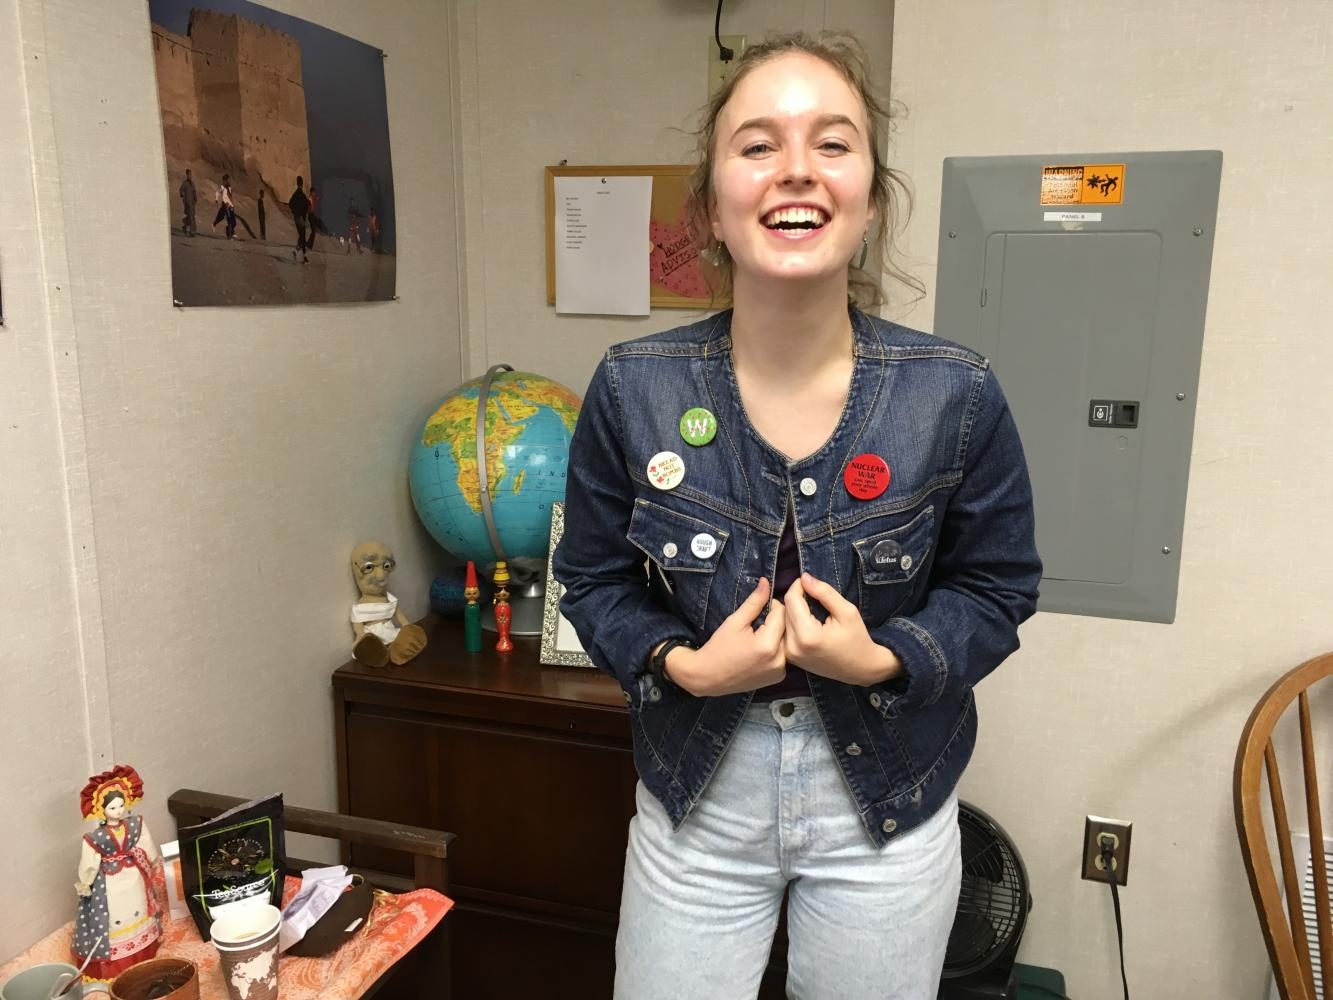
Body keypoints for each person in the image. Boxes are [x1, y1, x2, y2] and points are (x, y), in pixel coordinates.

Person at [552, 32, 1041, 1000]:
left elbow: (998, 587)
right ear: (710, 209)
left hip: (887, 810)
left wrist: (884, 658)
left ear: (868, 197)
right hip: (698, 807)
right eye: (756, 144)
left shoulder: (957, 394)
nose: (795, 172)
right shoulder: (630, 387)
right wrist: (678, 663)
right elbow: (595, 581)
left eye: (832, 142)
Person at [72, 765, 163, 981]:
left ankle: (144, 948)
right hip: (110, 884)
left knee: (139, 906)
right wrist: (86, 883)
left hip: (135, 876)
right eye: (113, 808)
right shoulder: (96, 838)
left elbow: (146, 843)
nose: (119, 811)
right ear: (101, 810)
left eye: (121, 806)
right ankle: (120, 962)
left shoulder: (135, 825)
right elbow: (90, 864)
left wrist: (153, 861)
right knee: (115, 914)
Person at [349, 541, 427, 667]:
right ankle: (376, 654)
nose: (381, 576)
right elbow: (357, 625)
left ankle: (396, 652)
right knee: (369, 646)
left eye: (386, 566)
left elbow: (400, 616)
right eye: (369, 567)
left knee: (403, 637)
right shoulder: (360, 607)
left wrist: (407, 627)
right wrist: (361, 637)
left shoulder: (390, 599)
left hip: (390, 631)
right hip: (372, 637)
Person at [288, 175, 311, 263]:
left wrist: (295, 212)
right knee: (302, 236)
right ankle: (302, 255)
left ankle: (297, 252)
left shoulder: (295, 194)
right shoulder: (301, 195)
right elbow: (307, 205)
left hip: (297, 218)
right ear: (302, 184)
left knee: (301, 236)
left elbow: (290, 204)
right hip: (301, 218)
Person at [179, 168, 197, 236]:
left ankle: (185, 226)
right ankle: (192, 231)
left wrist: (195, 198)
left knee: (191, 216)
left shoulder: (192, 183)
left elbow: (194, 191)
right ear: (186, 175)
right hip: (187, 202)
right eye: (188, 174)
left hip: (192, 203)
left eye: (190, 174)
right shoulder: (185, 183)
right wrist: (181, 194)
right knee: (190, 216)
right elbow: (181, 190)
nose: (190, 176)